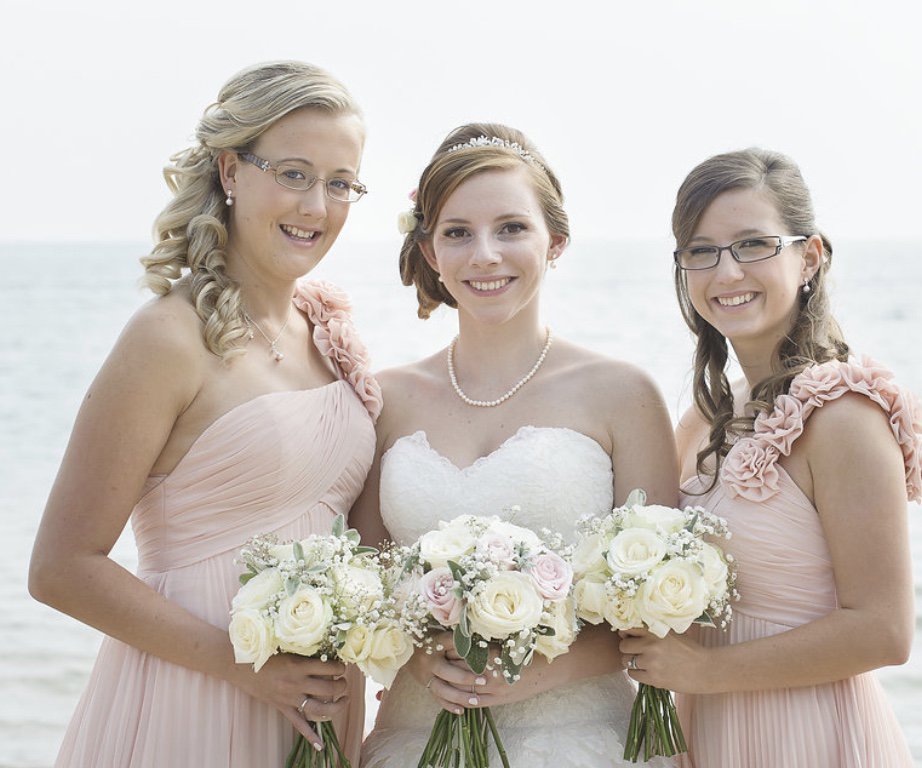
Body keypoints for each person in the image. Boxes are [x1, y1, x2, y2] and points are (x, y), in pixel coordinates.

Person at [28, 60, 382, 767]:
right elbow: (61, 567)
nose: (317, 206)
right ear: (229, 171)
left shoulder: (328, 327)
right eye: (293, 174)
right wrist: (242, 667)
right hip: (192, 698)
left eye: (340, 183)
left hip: (316, 710)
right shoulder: (167, 337)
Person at [351, 123, 679, 766]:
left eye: (511, 228)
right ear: (428, 249)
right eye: (457, 233)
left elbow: (665, 608)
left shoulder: (623, 394)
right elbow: (364, 584)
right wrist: (422, 654)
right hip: (417, 739)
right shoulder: (384, 400)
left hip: (584, 740)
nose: (484, 255)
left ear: (555, 241)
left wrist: (533, 672)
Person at [619, 148, 921, 767]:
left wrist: (704, 670)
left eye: (753, 244)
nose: (726, 272)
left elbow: (886, 631)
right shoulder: (704, 418)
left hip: (808, 732)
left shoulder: (846, 418)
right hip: (708, 730)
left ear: (809, 256)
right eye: (701, 251)